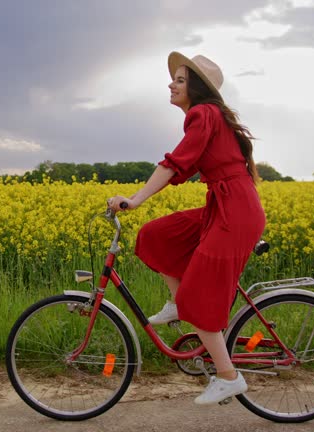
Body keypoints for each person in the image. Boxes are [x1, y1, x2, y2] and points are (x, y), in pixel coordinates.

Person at [106, 52, 266, 405]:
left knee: (198, 295)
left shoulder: (203, 113)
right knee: (156, 236)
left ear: (195, 87)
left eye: (179, 80)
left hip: (234, 212)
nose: (171, 84)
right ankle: (181, 306)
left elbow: (174, 164)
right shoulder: (207, 117)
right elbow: (182, 166)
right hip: (224, 206)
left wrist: (136, 199)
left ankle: (228, 377)